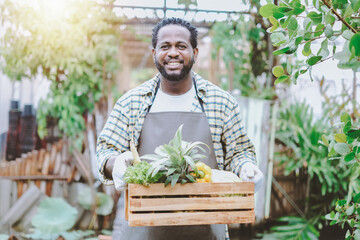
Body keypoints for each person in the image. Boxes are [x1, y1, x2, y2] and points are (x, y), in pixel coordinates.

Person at [97, 17, 264, 240]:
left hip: (207, 232)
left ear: (195, 52)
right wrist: (115, 164)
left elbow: (239, 152)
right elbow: (105, 151)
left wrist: (247, 168)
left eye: (181, 46)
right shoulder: (131, 102)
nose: (173, 53)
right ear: (154, 52)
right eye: (165, 46)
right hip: (143, 232)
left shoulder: (221, 102)